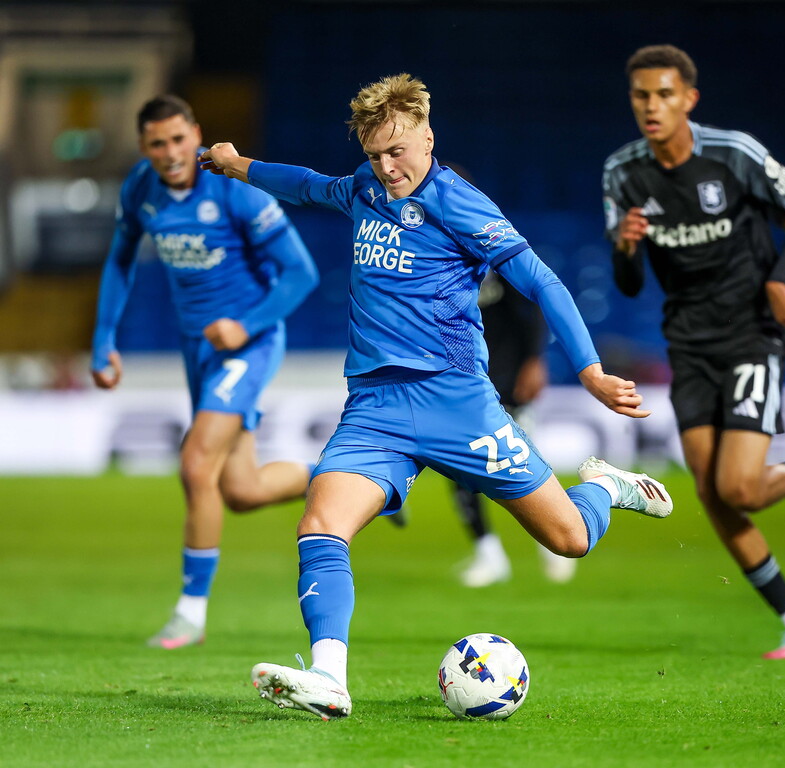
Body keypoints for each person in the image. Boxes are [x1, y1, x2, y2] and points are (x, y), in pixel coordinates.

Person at [200, 73, 673, 719]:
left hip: (457, 404)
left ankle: (606, 489)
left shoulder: (460, 203)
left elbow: (542, 282)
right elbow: (306, 184)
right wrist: (238, 165)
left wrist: (588, 370)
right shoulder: (364, 188)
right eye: (375, 155)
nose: (386, 168)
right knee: (320, 524)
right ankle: (330, 677)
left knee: (568, 539)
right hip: (374, 408)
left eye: (397, 151)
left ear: (428, 137)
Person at [603, 44, 785, 660]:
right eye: (641, 95)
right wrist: (626, 247)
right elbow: (627, 284)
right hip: (688, 341)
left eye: (664, 94)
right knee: (712, 493)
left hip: (751, 333)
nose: (652, 106)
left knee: (739, 488)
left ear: (689, 99)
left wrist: (781, 281)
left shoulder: (733, 153)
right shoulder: (621, 173)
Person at [91, 95, 319, 649]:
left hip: (250, 344)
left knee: (195, 463)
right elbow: (120, 259)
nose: (170, 153)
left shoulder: (235, 191)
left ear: (196, 134)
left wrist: (244, 325)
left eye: (178, 139)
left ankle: (190, 613)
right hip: (197, 349)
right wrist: (103, 341)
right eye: (157, 144)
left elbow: (301, 273)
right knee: (239, 490)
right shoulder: (140, 189)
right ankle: (348, 483)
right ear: (143, 147)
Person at [454, 270, 577, 586]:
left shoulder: (494, 253)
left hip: (506, 377)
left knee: (521, 464)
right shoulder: (439, 260)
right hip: (462, 379)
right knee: (459, 471)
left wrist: (534, 360)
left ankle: (555, 542)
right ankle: (490, 556)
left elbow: (532, 304)